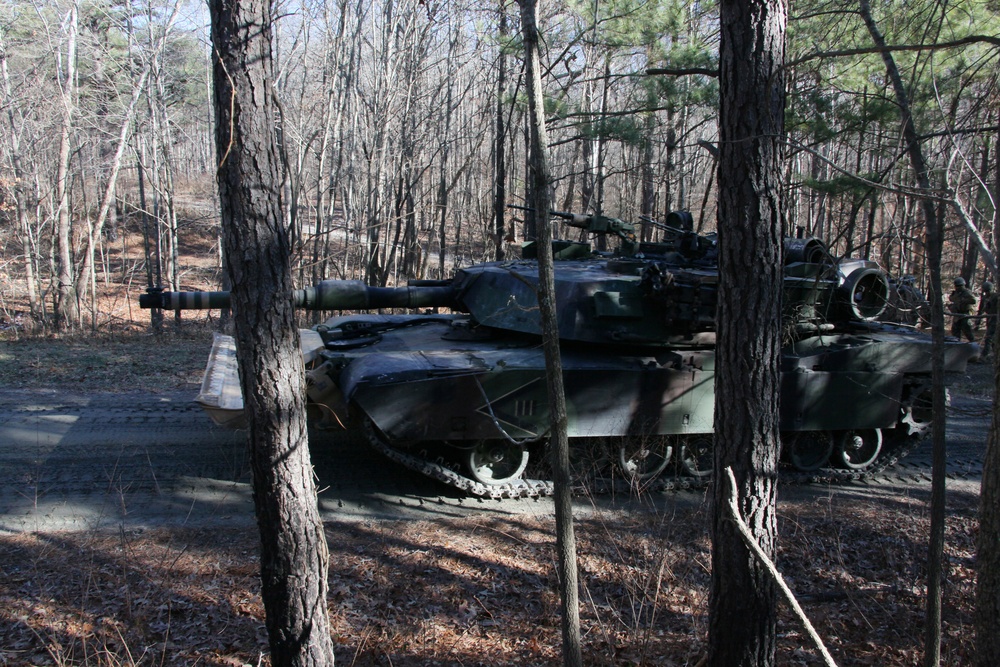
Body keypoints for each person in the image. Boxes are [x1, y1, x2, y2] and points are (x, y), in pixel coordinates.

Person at [949, 277, 977, 342]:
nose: (958, 287)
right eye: (957, 286)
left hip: (965, 313)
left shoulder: (967, 292)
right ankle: (956, 344)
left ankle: (973, 343)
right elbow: (951, 299)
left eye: (959, 286)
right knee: (955, 330)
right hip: (957, 314)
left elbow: (974, 301)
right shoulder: (955, 293)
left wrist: (964, 300)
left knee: (966, 329)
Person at [978, 281, 998, 357]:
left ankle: (984, 355)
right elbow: (982, 309)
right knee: (992, 338)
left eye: (988, 291)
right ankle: (995, 354)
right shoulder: (985, 298)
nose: (987, 293)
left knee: (989, 337)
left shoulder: (996, 297)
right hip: (989, 318)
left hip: (995, 319)